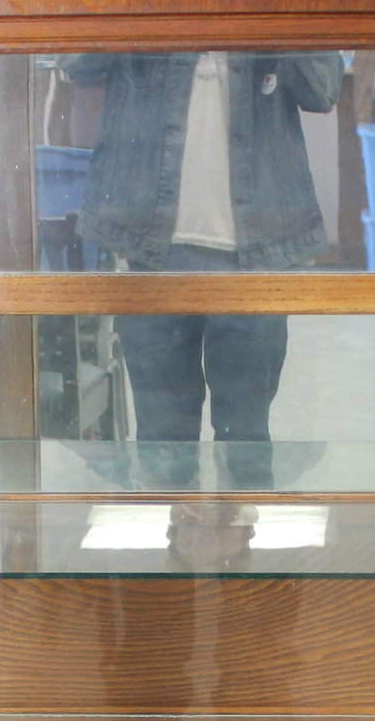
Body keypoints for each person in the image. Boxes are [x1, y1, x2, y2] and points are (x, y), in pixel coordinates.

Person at [59, 50, 342, 489]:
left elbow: (323, 90)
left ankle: (239, 538)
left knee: (246, 438)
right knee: (163, 443)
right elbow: (79, 61)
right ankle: (177, 530)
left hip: (257, 256)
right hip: (152, 252)